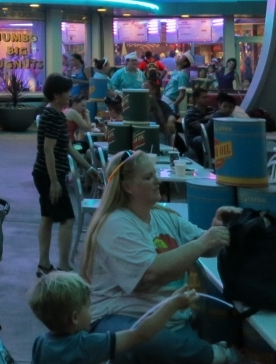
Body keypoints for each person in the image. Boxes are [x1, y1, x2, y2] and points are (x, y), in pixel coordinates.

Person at [80, 150, 238, 364]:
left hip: (171, 320)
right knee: (144, 340)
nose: (157, 181)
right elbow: (150, 275)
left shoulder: (163, 216)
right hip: (120, 318)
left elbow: (205, 248)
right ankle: (215, 355)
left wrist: (217, 230)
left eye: (154, 174)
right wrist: (204, 242)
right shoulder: (115, 224)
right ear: (127, 187)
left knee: (169, 342)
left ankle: (201, 352)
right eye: (148, 177)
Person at [29, 271, 197, 364]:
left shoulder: (41, 343)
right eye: (88, 306)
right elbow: (141, 334)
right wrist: (172, 305)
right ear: (74, 318)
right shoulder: (85, 345)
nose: (91, 309)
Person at [35, 74, 97, 278]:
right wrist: (54, 181)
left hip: (46, 173)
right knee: (68, 219)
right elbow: (48, 149)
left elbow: (68, 146)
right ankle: (63, 266)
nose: (70, 96)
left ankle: (44, 264)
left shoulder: (58, 114)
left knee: (47, 216)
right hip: (48, 174)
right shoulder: (52, 115)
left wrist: (88, 167)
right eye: (67, 92)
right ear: (56, 94)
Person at [182, 88, 210, 161]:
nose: (207, 99)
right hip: (195, 138)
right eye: (204, 97)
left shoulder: (211, 110)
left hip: (209, 135)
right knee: (201, 140)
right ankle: (202, 162)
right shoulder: (191, 113)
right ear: (196, 99)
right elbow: (200, 129)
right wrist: (212, 120)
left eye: (208, 97)